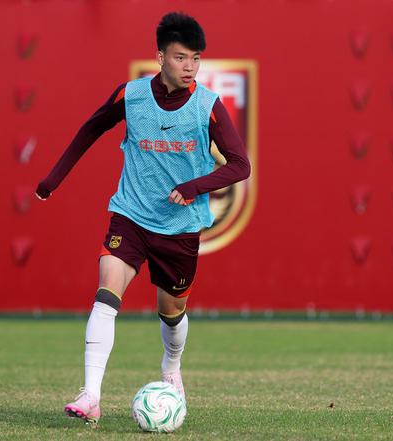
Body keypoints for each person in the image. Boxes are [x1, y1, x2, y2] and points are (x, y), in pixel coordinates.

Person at [35, 12, 250, 425]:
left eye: (196, 59)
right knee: (106, 294)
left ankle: (171, 366)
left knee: (171, 313)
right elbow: (90, 129)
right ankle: (91, 395)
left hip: (180, 227)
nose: (190, 67)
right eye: (181, 58)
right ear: (161, 57)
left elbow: (241, 165)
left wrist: (194, 186)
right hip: (130, 215)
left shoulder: (208, 106)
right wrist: (53, 179)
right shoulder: (131, 96)